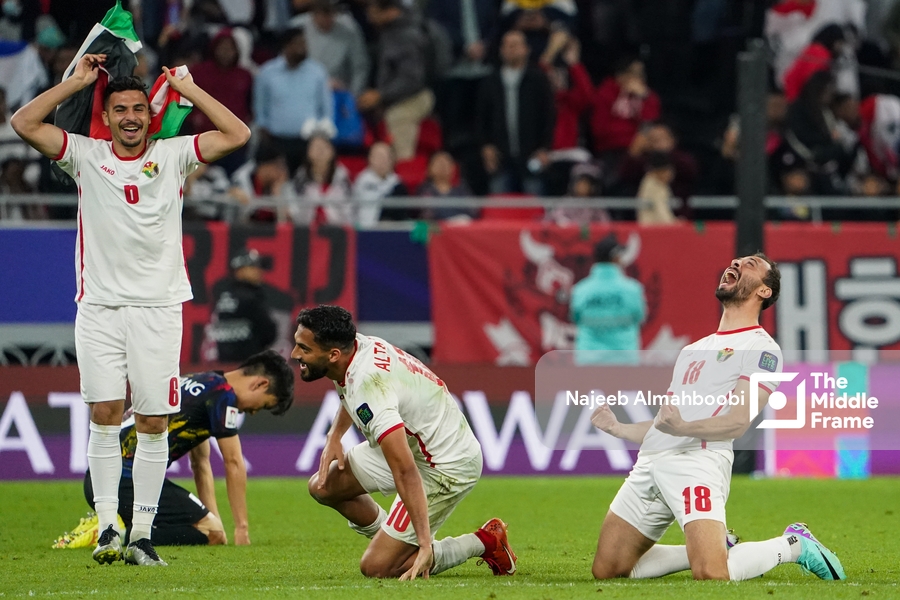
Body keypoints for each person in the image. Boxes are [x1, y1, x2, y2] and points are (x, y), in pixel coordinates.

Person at [11, 54, 251, 566]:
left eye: (139, 108)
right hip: (98, 308)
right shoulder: (83, 155)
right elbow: (22, 123)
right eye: (119, 109)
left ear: (150, 113)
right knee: (103, 416)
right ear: (108, 115)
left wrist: (190, 88)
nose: (130, 117)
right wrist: (72, 84)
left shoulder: (174, 155)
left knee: (152, 422)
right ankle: (107, 529)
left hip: (159, 309)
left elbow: (237, 134)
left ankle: (141, 534)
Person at [590, 254, 847, 582]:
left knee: (713, 574)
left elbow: (737, 422)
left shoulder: (761, 349)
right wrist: (619, 428)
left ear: (764, 292)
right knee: (608, 570)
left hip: (698, 461)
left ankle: (794, 545)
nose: (737, 263)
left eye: (751, 264)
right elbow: (665, 425)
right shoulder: (692, 351)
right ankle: (713, 546)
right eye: (737, 261)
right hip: (652, 463)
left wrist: (682, 427)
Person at [293, 305, 516, 580]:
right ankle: (395, 543)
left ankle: (484, 541)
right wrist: (334, 435)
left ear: (333, 354)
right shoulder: (355, 346)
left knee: (376, 568)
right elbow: (347, 385)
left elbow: (405, 470)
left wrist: (424, 543)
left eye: (304, 349)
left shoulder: (370, 387)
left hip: (445, 464)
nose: (295, 354)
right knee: (323, 486)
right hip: (418, 445)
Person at [76, 351, 294, 547]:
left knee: (213, 531)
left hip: (99, 478)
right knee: (212, 535)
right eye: (264, 404)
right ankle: (113, 533)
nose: (255, 412)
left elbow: (200, 464)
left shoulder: (202, 380)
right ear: (261, 384)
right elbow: (234, 462)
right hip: (126, 479)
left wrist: (213, 520)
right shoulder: (224, 396)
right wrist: (241, 529)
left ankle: (113, 526)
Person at [254, 27, 333, 174]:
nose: (303, 48)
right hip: (275, 142)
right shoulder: (267, 73)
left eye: (304, 43)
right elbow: (260, 108)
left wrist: (321, 136)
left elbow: (326, 108)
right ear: (286, 46)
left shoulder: (317, 72)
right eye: (298, 44)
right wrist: (264, 133)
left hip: (308, 141)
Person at [569, 234, 645, 364]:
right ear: (615, 257)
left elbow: (575, 317)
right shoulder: (633, 289)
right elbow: (639, 317)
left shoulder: (580, 290)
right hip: (624, 361)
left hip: (589, 361)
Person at [209, 249, 279, 362]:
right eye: (253, 267)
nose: (259, 271)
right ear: (239, 271)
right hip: (248, 364)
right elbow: (269, 332)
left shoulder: (224, 295)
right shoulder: (250, 298)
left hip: (223, 363)